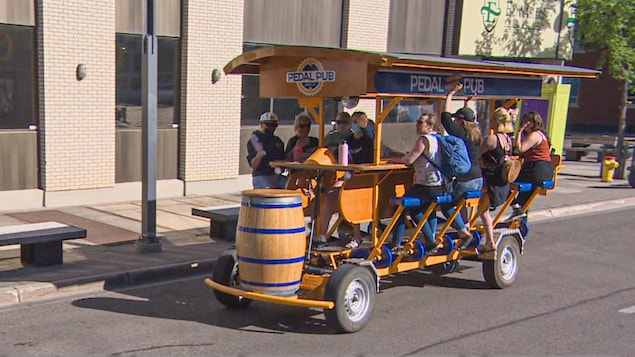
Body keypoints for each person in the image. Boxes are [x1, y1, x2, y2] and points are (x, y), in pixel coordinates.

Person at [388, 113, 445, 252]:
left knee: (398, 205)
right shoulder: (439, 138)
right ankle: (430, 239)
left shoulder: (424, 139)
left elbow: (409, 160)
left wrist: (395, 159)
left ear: (430, 126)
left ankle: (396, 244)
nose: (416, 125)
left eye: (420, 122)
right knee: (420, 209)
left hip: (426, 185)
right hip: (439, 185)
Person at [439, 83, 484, 249]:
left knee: (446, 204)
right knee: (462, 203)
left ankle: (462, 231)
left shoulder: (461, 133)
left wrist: (450, 95)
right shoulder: (477, 133)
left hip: (465, 178)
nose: (454, 121)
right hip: (478, 178)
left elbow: (445, 118)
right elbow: (469, 118)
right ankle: (465, 228)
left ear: (461, 121)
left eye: (457, 119)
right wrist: (467, 102)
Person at [476, 107, 515, 252]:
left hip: (489, 179)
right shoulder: (508, 140)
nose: (490, 121)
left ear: (497, 121)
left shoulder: (492, 139)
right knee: (483, 209)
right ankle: (486, 239)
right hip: (501, 180)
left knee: (483, 210)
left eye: (492, 119)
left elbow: (477, 155)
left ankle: (490, 241)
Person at [509, 111, 553, 219]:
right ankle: (520, 217)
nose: (525, 123)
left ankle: (515, 207)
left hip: (537, 169)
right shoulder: (541, 135)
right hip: (543, 169)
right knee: (525, 195)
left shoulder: (535, 135)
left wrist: (519, 132)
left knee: (504, 179)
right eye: (524, 121)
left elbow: (519, 149)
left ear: (535, 123)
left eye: (529, 121)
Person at [246, 112, 286, 189]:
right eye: (268, 125)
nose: (271, 128)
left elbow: (283, 159)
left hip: (276, 175)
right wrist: (260, 154)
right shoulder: (255, 140)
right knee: (270, 190)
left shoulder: (278, 141)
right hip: (261, 175)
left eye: (273, 125)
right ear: (261, 124)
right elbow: (253, 165)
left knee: (291, 186)